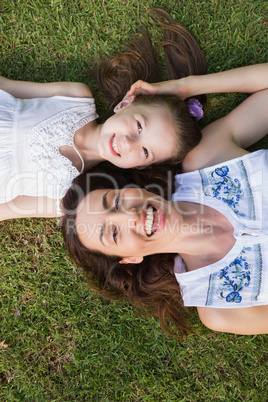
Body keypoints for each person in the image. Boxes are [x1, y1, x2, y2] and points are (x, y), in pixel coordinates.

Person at [61, 63, 268, 337]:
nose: (130, 216)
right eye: (113, 233)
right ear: (131, 259)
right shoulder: (220, 308)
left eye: (116, 202)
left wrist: (185, 87)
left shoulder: (208, 159)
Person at [0, 9, 206, 221]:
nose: (129, 142)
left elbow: (6, 209)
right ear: (125, 104)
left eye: (145, 151)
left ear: (141, 165)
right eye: (139, 127)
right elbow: (6, 87)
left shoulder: (66, 197)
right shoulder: (76, 98)